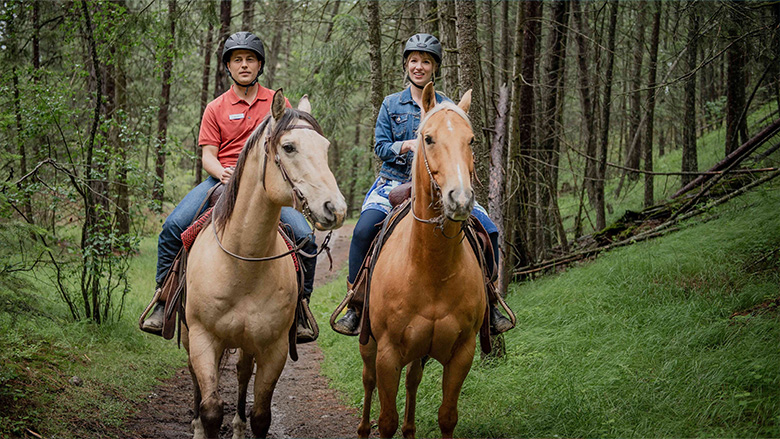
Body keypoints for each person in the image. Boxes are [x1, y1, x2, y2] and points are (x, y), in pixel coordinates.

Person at [141, 31, 318, 340]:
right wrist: (222, 171)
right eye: (238, 60)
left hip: (267, 183)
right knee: (173, 227)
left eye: (250, 59)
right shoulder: (216, 107)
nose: (244, 65)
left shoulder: (277, 103)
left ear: (260, 64)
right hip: (222, 179)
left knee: (304, 236)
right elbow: (208, 155)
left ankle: (300, 308)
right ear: (228, 66)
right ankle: (164, 297)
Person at [333, 33, 512, 335]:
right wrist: (406, 146)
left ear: (434, 68)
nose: (419, 67)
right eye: (413, 61)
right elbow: (379, 146)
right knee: (364, 229)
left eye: (425, 62)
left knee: (488, 228)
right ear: (406, 65)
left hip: (440, 186)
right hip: (393, 183)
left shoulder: (448, 109)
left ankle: (491, 301)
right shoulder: (391, 105)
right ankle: (355, 302)